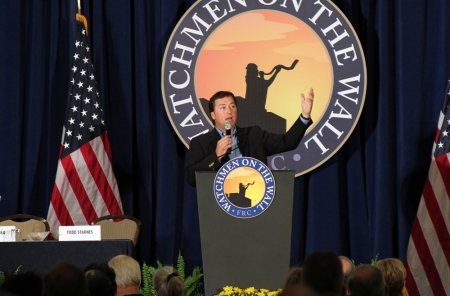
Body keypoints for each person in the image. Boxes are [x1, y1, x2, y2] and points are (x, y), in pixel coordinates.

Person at [185, 89, 314, 186]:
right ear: (213, 115)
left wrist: (304, 117)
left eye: (232, 106)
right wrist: (216, 156)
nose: (229, 111)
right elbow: (190, 177)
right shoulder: (200, 143)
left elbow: (287, 143)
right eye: (223, 107)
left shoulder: (254, 135)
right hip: (220, 207)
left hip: (256, 200)